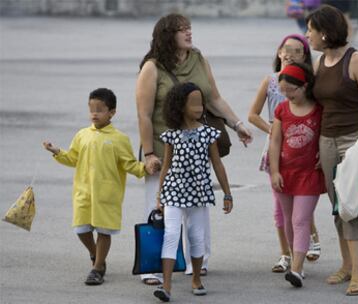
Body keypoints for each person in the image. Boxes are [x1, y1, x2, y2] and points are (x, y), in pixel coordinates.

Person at [135, 13, 252, 285]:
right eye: (181, 30)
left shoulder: (199, 59)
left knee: (198, 207)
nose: (189, 33)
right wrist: (150, 152)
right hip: (163, 149)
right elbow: (143, 114)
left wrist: (237, 124)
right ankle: (152, 266)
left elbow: (214, 99)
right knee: (159, 207)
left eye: (189, 28)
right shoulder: (152, 68)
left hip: (196, 151)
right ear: (167, 35)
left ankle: (197, 263)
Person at [43, 88, 153, 285]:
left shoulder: (120, 139)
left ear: (112, 112)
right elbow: (73, 158)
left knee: (104, 231)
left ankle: (97, 268)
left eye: (100, 109)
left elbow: (129, 164)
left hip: (107, 195)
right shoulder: (82, 135)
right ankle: (96, 256)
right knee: (81, 229)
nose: (94, 113)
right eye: (91, 109)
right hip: (83, 193)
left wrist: (146, 168)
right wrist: (56, 151)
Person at [306, 4, 358, 295]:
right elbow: (315, 105)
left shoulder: (356, 60)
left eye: (310, 30)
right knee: (337, 207)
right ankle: (346, 265)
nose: (308, 35)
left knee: (352, 208)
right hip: (326, 141)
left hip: (353, 140)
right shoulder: (319, 61)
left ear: (324, 33)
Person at [152, 82, 233, 302]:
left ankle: (196, 277)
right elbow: (166, 166)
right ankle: (166, 286)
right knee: (170, 235)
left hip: (198, 193)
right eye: (193, 103)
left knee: (196, 237)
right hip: (174, 191)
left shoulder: (208, 133)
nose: (198, 107)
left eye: (200, 102)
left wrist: (227, 193)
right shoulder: (172, 135)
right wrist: (159, 195)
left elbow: (217, 165)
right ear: (180, 105)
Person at [248, 34, 321, 274]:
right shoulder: (270, 81)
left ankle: (311, 238)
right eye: (285, 48)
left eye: (297, 51)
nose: (289, 53)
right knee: (281, 205)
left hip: (305, 146)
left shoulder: (310, 85)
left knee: (302, 198)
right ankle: (286, 254)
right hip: (277, 144)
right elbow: (253, 115)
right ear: (279, 52)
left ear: (304, 58)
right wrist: (277, 129)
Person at [268, 63, 326, 288]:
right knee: (290, 220)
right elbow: (275, 142)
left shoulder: (319, 109)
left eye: (292, 90)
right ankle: (296, 261)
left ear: (305, 86)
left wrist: (325, 153)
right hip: (285, 173)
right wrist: (274, 171)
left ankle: (297, 269)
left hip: (309, 174)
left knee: (301, 220)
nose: (288, 95)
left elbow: (326, 134)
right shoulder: (282, 109)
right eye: (284, 91)